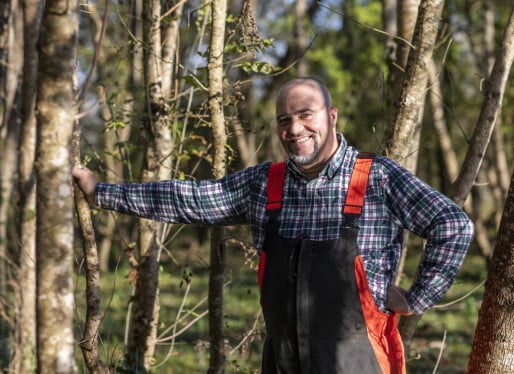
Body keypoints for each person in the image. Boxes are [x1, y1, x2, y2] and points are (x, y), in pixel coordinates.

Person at [73, 77, 474, 373]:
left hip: (359, 362)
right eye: (285, 119)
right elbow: (189, 199)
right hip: (282, 362)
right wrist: (101, 192)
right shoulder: (265, 184)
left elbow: (452, 225)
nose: (295, 129)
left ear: (331, 116)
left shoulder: (378, 178)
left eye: (305, 115)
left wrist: (419, 297)